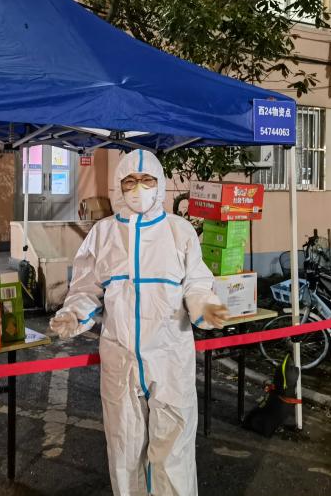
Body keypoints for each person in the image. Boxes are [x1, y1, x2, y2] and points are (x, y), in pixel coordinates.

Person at [50, 149, 229, 496]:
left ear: (159, 184)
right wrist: (73, 314)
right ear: (119, 186)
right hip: (120, 358)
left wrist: (204, 305)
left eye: (146, 180)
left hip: (169, 355)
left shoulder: (179, 231)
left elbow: (196, 281)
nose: (138, 189)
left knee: (173, 450)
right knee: (124, 449)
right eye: (130, 181)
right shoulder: (103, 233)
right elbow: (86, 287)